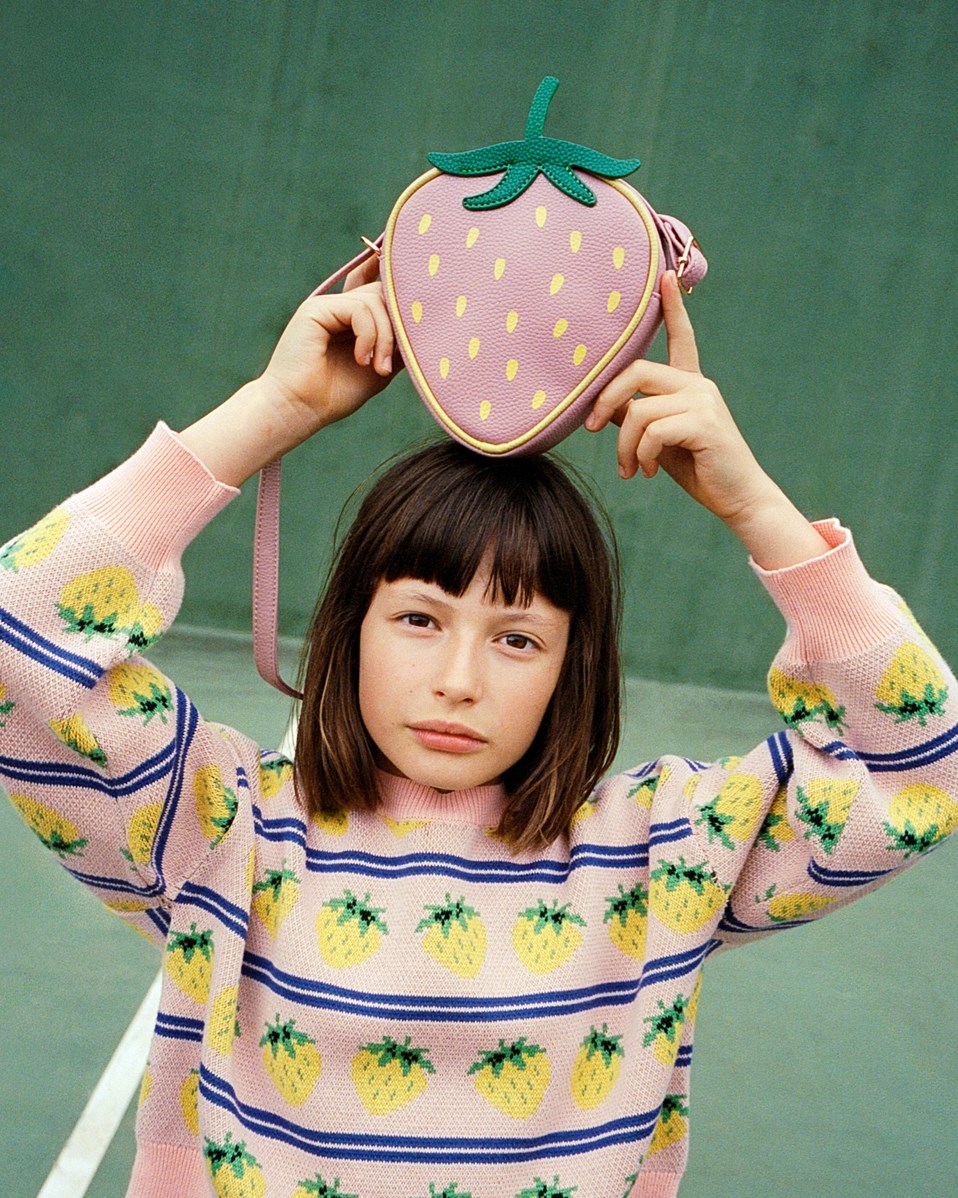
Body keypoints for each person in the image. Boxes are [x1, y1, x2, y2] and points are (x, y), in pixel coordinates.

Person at [1, 261, 955, 1198]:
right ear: (351, 628)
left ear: (570, 668)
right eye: (419, 619)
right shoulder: (219, 828)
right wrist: (273, 408)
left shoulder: (665, 855)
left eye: (517, 637)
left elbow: (924, 771)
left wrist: (756, 504)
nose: (459, 681)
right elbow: (19, 635)